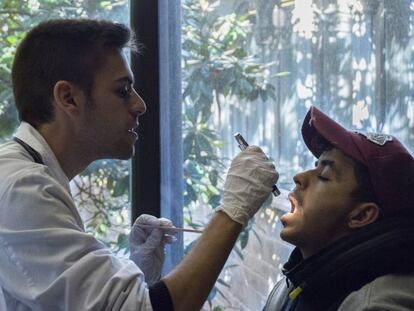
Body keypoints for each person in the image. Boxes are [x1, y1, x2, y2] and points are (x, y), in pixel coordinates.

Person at [0, 19, 278, 310]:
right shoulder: (21, 188)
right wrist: (233, 212)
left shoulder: (27, 175)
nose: (139, 105)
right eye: (122, 91)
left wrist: (134, 271)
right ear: (68, 98)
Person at [263, 106, 414, 311]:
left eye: (324, 174)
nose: (299, 177)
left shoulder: (375, 305)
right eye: (315, 165)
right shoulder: (295, 283)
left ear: (361, 215)